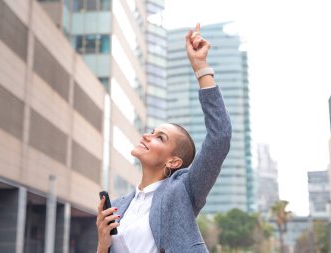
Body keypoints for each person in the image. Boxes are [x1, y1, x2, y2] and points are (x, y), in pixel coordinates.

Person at [96, 23, 232, 253]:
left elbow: (220, 137)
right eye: (151, 132)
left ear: (173, 162)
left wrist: (201, 67)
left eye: (160, 137)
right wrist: (102, 244)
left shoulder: (182, 191)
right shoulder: (117, 207)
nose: (147, 137)